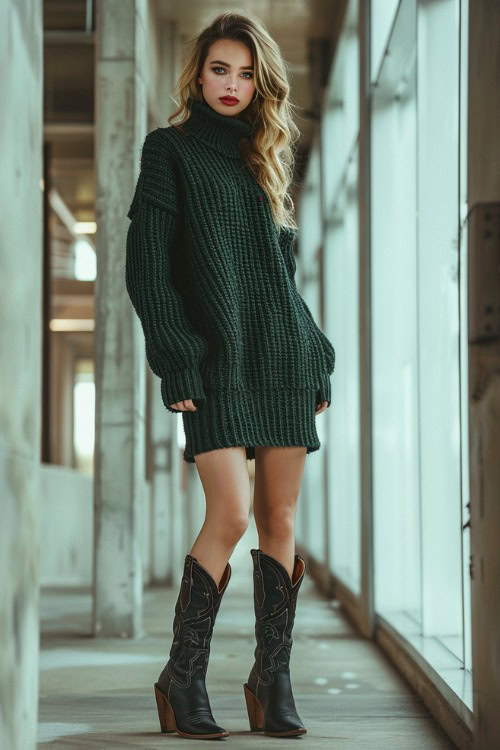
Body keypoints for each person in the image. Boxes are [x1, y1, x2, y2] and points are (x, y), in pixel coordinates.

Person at [125, 11, 335, 740]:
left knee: (280, 520)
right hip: (214, 366)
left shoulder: (263, 159)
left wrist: (317, 353)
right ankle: (182, 678)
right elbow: (148, 269)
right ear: (199, 73)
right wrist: (176, 357)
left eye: (247, 74)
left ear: (261, 83)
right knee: (232, 514)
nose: (233, 85)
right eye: (221, 69)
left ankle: (269, 681)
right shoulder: (169, 151)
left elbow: (281, 279)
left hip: (280, 361)